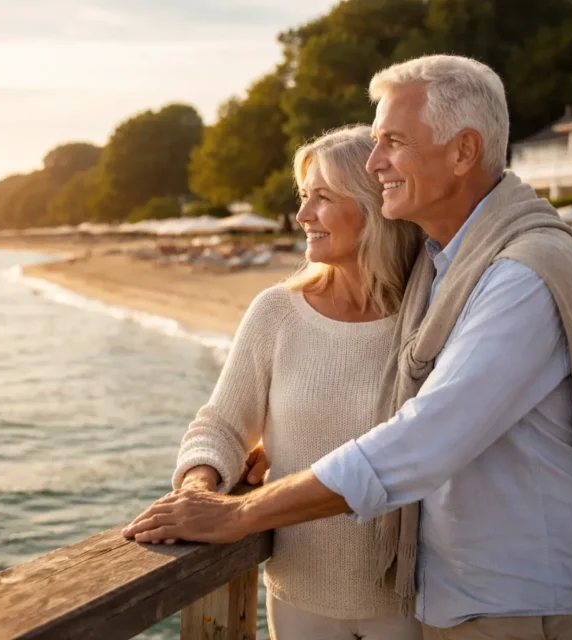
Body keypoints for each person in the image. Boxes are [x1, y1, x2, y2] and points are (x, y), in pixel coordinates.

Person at [124, 55, 572, 640]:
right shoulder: (444, 275)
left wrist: (243, 513)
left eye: (393, 141)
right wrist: (219, 475)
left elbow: (425, 437)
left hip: (510, 591)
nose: (376, 159)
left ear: (462, 151)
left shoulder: (513, 275)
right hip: (450, 589)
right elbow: (225, 423)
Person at [154, 124, 424, 639]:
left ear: (373, 205)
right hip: (299, 594)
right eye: (304, 197)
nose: (302, 216)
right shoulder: (277, 312)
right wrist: (199, 490)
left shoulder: (429, 317)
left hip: (412, 597)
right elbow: (223, 427)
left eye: (322, 198)